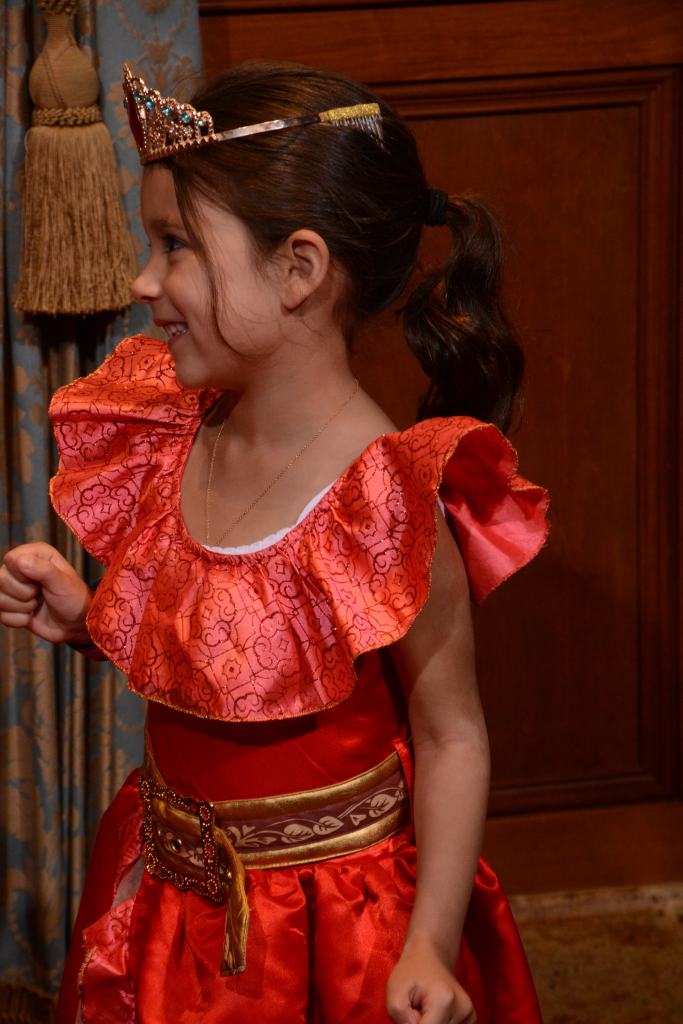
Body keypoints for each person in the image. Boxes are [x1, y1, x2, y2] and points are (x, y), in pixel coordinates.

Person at [0, 61, 548, 1024]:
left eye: (175, 246)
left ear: (298, 269)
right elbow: (223, 643)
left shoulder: (386, 506)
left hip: (329, 931)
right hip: (162, 902)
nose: (144, 280)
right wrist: (92, 621)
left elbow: (451, 735)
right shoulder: (174, 431)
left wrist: (427, 940)